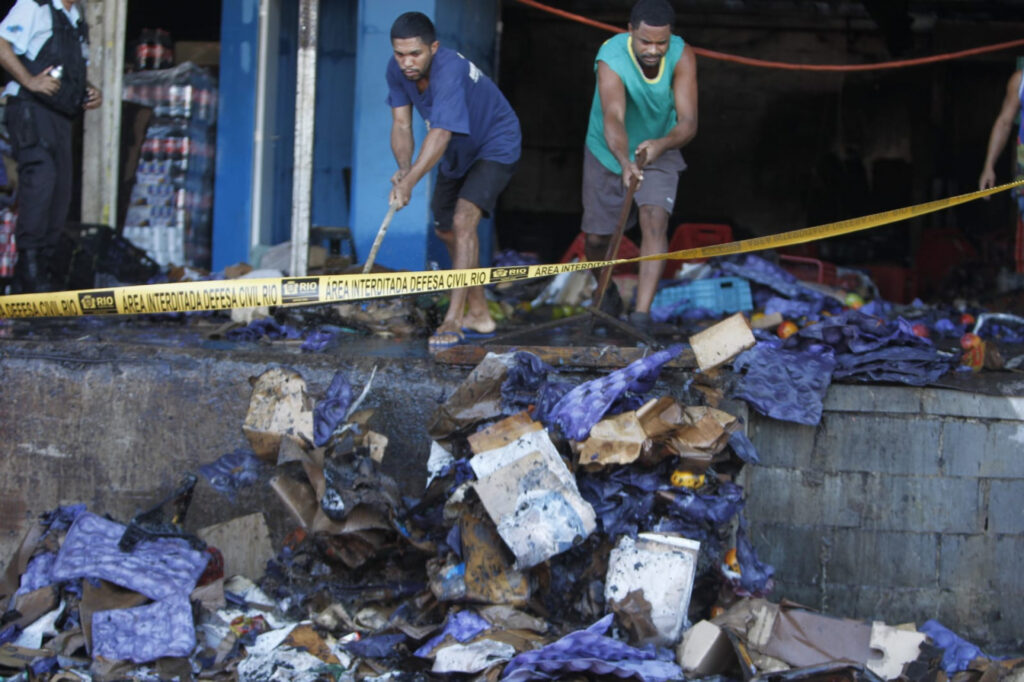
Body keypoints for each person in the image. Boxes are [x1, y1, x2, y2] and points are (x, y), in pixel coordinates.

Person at [386, 11, 521, 350]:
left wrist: (410, 182)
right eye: (400, 54)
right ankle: (480, 313)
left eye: (414, 54)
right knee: (445, 230)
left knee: (463, 222)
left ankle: (454, 320)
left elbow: (441, 132)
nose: (406, 62)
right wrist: (403, 168)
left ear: (433, 48)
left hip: (495, 143)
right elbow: (401, 124)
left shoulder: (449, 70)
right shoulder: (397, 71)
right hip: (456, 151)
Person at [581, 0, 697, 330]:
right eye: (646, 41)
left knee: (655, 220)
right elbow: (613, 115)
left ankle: (641, 316)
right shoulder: (611, 56)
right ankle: (607, 291)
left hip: (661, 144)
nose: (653, 50)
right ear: (630, 30)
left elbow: (688, 122)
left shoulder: (682, 55)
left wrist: (662, 144)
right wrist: (624, 161)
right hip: (608, 149)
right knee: (596, 240)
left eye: (661, 43)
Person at [0, 0, 101, 293]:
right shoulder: (35, 5)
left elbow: (72, 68)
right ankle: (29, 267)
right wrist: (29, 80)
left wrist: (92, 90)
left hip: (60, 115)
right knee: (41, 181)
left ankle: (39, 272)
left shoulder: (76, 18)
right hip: (30, 108)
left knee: (61, 192)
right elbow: (2, 43)